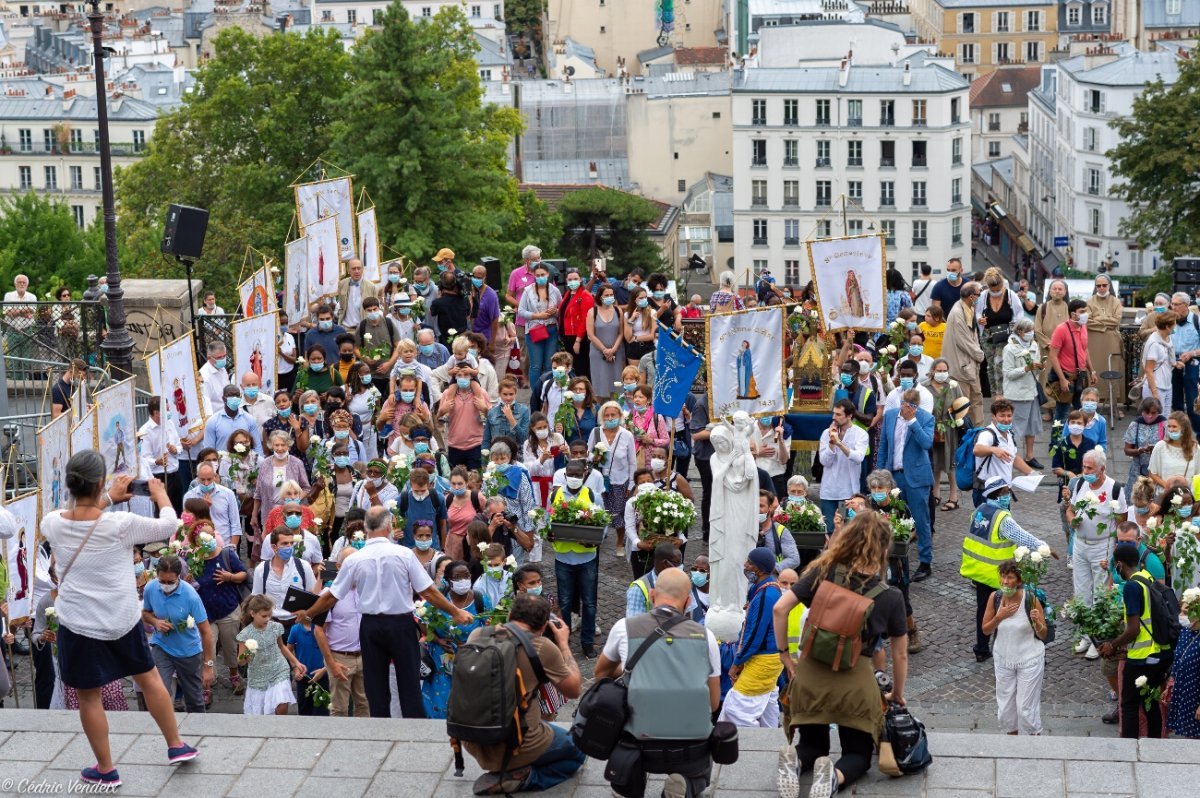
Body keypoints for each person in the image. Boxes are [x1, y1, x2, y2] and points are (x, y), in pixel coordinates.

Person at [40, 452, 197, 787]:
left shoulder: (52, 522)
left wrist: (108, 497)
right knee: (150, 680)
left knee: (89, 696)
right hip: (122, 619)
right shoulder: (121, 525)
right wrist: (158, 493)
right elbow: (170, 525)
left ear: (70, 484)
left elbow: (83, 515)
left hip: (79, 624)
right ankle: (175, 745)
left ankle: (106, 768)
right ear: (100, 483)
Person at [772, 513, 907, 798]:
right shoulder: (891, 595)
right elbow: (900, 653)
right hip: (854, 682)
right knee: (858, 752)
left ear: (847, 538)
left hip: (809, 675)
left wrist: (785, 655)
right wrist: (896, 694)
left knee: (812, 745)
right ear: (884, 549)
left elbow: (780, 609)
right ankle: (833, 777)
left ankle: (796, 762)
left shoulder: (823, 572)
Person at [296, 506, 473, 718]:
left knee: (376, 687)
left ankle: (380, 735)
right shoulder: (404, 554)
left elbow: (331, 596)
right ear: (389, 526)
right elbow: (428, 591)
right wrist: (455, 612)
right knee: (409, 684)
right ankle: (412, 735)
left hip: (371, 627)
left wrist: (308, 613)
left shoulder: (355, 559)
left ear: (365, 527)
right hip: (400, 625)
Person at [596, 568, 721, 798]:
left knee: (625, 739)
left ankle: (626, 782)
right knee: (698, 769)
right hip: (690, 747)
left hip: (637, 741)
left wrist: (626, 670)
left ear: (652, 595)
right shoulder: (707, 637)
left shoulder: (624, 628)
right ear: (689, 600)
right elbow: (713, 704)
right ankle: (688, 782)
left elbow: (601, 674)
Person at [461, 594, 585, 795]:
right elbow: (574, 690)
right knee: (579, 749)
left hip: (472, 737)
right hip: (519, 744)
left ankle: (510, 768)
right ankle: (524, 777)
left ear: (510, 614)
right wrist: (563, 643)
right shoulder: (542, 647)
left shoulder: (477, 635)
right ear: (544, 626)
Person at [961, 475, 1056, 663]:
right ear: (996, 494)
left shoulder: (979, 511)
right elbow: (1023, 537)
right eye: (1005, 492)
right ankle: (1020, 649)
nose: (1008, 496)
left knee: (983, 609)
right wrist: (1044, 547)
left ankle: (981, 648)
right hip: (1001, 575)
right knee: (1015, 608)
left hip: (979, 571)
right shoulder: (1003, 518)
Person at [1099, 543, 1174, 739]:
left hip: (1143, 658)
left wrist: (1112, 645)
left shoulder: (1132, 586)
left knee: (1130, 704)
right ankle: (1155, 746)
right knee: (1150, 704)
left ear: (1120, 564)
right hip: (1161, 653)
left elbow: (1133, 629)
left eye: (1117, 566)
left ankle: (1129, 751)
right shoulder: (1146, 577)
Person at [1065, 449, 1127, 659]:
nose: (1085, 471)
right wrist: (1072, 519)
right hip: (1080, 544)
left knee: (1101, 592)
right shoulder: (1081, 484)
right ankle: (1085, 634)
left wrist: (1113, 549)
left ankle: (1099, 638)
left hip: (1103, 546)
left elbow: (1122, 519)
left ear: (1102, 469)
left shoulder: (1115, 489)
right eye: (1084, 467)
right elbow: (1070, 509)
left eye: (1089, 468)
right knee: (1081, 590)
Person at [981, 559, 1049, 735]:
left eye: (1009, 577)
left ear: (1019, 581)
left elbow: (1043, 634)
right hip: (1003, 659)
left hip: (1029, 660)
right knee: (1006, 712)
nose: (1005, 581)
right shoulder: (994, 598)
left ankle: (1035, 745)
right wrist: (999, 617)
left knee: (1026, 710)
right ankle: (1012, 748)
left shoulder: (1031, 600)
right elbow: (986, 630)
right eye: (1003, 577)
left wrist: (1036, 623)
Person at [719, 547, 783, 728]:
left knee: (736, 708)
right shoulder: (767, 589)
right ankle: (770, 741)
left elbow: (754, 635)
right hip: (770, 659)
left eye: (749, 563)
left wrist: (736, 663)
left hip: (763, 660)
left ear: (760, 569)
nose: (745, 566)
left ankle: (748, 747)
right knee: (767, 705)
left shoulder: (766, 595)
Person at [142, 554, 214, 715]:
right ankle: (164, 727)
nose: (165, 585)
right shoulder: (151, 588)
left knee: (194, 698)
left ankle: (197, 729)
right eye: (162, 581)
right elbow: (145, 613)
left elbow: (206, 631)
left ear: (179, 577)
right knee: (159, 691)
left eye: (170, 582)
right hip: (162, 646)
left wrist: (208, 665)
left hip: (188, 651)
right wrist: (155, 622)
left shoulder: (190, 596)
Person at [877, 387, 935, 579]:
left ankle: (925, 562)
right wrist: (880, 474)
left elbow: (927, 444)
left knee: (920, 520)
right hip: (894, 476)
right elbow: (884, 445)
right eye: (904, 404)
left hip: (917, 478)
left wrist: (912, 421)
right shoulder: (891, 416)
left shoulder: (926, 418)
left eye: (911, 406)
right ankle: (893, 556)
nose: (906, 408)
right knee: (892, 517)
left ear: (916, 406)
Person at [192, 528, 248, 695]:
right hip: (205, 612)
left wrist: (229, 577)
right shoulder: (194, 558)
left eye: (210, 534)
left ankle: (233, 674)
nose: (207, 538)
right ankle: (207, 683)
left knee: (230, 645)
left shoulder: (226, 554)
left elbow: (243, 574)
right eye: (202, 536)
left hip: (228, 608)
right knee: (207, 647)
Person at [236, 595, 306, 715]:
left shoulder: (275, 627)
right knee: (262, 714)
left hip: (279, 669)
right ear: (252, 614)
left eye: (270, 615)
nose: (268, 618)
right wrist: (249, 651)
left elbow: (282, 647)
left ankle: (281, 730)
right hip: (258, 676)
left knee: (282, 703)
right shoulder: (245, 634)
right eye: (264, 616)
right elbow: (241, 661)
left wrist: (296, 662)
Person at [590, 401, 638, 559]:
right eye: (607, 415)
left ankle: (619, 542)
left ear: (619, 416)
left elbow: (632, 461)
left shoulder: (627, 435)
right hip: (599, 480)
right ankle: (595, 539)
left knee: (618, 514)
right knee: (597, 510)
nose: (610, 418)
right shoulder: (596, 432)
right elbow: (588, 454)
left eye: (613, 415)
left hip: (620, 480)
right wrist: (594, 457)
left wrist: (631, 484)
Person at [817, 399, 869, 534]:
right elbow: (824, 461)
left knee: (847, 531)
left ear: (850, 415)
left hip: (848, 492)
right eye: (834, 414)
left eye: (839, 414)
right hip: (828, 492)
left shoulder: (861, 434)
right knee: (829, 530)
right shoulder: (825, 433)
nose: (834, 417)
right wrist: (832, 443)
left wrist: (839, 443)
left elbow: (858, 458)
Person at [1002, 318, 1045, 468]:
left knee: (1032, 425)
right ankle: (1012, 456)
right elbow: (1008, 373)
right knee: (1015, 428)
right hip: (1017, 394)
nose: (1031, 334)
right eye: (1028, 331)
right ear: (1020, 332)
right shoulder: (1009, 349)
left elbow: (1037, 370)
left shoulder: (1034, 345)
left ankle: (1029, 456)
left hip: (1031, 392)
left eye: (1032, 331)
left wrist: (1040, 367)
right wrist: (1026, 369)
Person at [1048, 299, 1097, 425]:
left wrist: (1092, 371)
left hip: (1081, 375)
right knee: (1062, 413)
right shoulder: (1061, 329)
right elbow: (1053, 356)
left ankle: (1077, 440)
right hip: (1066, 376)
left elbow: (1085, 350)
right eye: (1082, 312)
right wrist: (1062, 379)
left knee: (1080, 411)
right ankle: (1057, 442)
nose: (1086, 314)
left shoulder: (1083, 327)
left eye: (1086, 311)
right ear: (1073, 314)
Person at [944, 281, 985, 427]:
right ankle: (966, 436)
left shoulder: (968, 308)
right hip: (962, 366)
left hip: (969, 364)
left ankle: (978, 432)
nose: (980, 297)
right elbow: (964, 341)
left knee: (976, 399)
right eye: (979, 294)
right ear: (971, 296)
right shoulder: (957, 313)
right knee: (964, 404)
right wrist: (980, 355)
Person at [183, 460, 242, 556]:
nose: (206, 483)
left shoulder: (228, 494)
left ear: (215, 476)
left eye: (209, 479)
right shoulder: (189, 496)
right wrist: (203, 509)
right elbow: (187, 525)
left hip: (224, 547)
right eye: (202, 480)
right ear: (197, 478)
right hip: (199, 549)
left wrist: (232, 549)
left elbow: (235, 525)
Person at [518, 262, 561, 393]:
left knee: (549, 365)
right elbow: (521, 311)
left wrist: (555, 312)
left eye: (543, 275)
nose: (540, 277)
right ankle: (536, 394)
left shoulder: (555, 290)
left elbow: (561, 310)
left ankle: (548, 392)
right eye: (538, 275)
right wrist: (537, 315)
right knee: (535, 365)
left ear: (548, 275)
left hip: (551, 330)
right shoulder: (528, 291)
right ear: (533, 276)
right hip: (534, 331)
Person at [1087, 274, 1125, 417]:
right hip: (1094, 343)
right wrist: (1105, 322)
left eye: (1104, 285)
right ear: (1095, 286)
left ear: (1109, 286)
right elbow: (1087, 321)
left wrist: (1098, 319)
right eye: (1099, 285)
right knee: (1094, 371)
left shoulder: (1115, 302)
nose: (1101, 288)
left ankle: (1114, 406)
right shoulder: (1089, 301)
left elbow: (1116, 321)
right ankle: (1092, 406)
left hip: (1112, 341)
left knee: (1113, 370)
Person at [139, 395, 183, 512]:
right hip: (159, 477)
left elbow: (179, 446)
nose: (169, 412)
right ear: (157, 412)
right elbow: (143, 458)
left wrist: (176, 450)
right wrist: (156, 461)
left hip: (175, 474)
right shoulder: (145, 431)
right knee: (162, 511)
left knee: (178, 510)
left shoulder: (170, 424)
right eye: (167, 409)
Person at [1167, 590, 1200, 738]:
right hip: (1185, 692)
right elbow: (1178, 659)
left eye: (1186, 611)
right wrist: (1171, 683)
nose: (1181, 615)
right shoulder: (1186, 632)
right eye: (1181, 610)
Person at [626, 543, 685, 617]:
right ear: (665, 563)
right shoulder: (638, 589)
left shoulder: (681, 582)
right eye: (678, 563)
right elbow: (635, 625)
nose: (680, 567)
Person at [1170, 291, 1200, 430]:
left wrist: (1191, 353)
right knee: (1175, 401)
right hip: (1173, 363)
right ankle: (1179, 433)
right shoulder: (1170, 320)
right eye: (1172, 304)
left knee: (1192, 400)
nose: (1173, 307)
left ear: (1186, 305)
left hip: (1192, 363)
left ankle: (1198, 434)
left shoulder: (1197, 320)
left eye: (1176, 304)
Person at [1149, 411, 1200, 487]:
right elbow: (1152, 474)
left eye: (1174, 426)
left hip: (1187, 496)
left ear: (1184, 428)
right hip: (1165, 495)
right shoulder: (1160, 446)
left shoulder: (1195, 448)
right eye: (1169, 426)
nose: (1170, 429)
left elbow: (1198, 475)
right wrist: (1168, 487)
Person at [1124, 398, 1166, 489]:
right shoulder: (1135, 425)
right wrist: (1139, 450)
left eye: (1153, 413)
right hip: (1138, 470)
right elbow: (1127, 450)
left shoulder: (1164, 424)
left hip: (1159, 470)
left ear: (1158, 412)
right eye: (1147, 413)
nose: (1150, 416)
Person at [756, 490, 799, 573]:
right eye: (754, 505)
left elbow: (794, 559)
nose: (757, 509)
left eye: (761, 506)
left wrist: (772, 568)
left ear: (770, 507)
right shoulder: (744, 530)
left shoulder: (781, 531)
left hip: (771, 580)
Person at [1143, 310, 1177, 416]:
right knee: (1154, 421)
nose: (1176, 326)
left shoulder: (1167, 338)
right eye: (1174, 323)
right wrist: (1154, 393)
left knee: (1164, 421)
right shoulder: (1154, 344)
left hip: (1167, 385)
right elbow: (1149, 369)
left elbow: (1164, 359)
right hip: (1156, 387)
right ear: (1167, 327)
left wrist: (1175, 364)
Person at [198, 340, 230, 417]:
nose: (223, 359)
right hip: (216, 417)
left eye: (224, 356)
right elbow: (206, 402)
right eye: (219, 357)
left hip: (228, 412)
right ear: (209, 358)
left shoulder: (222, 368)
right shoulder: (205, 376)